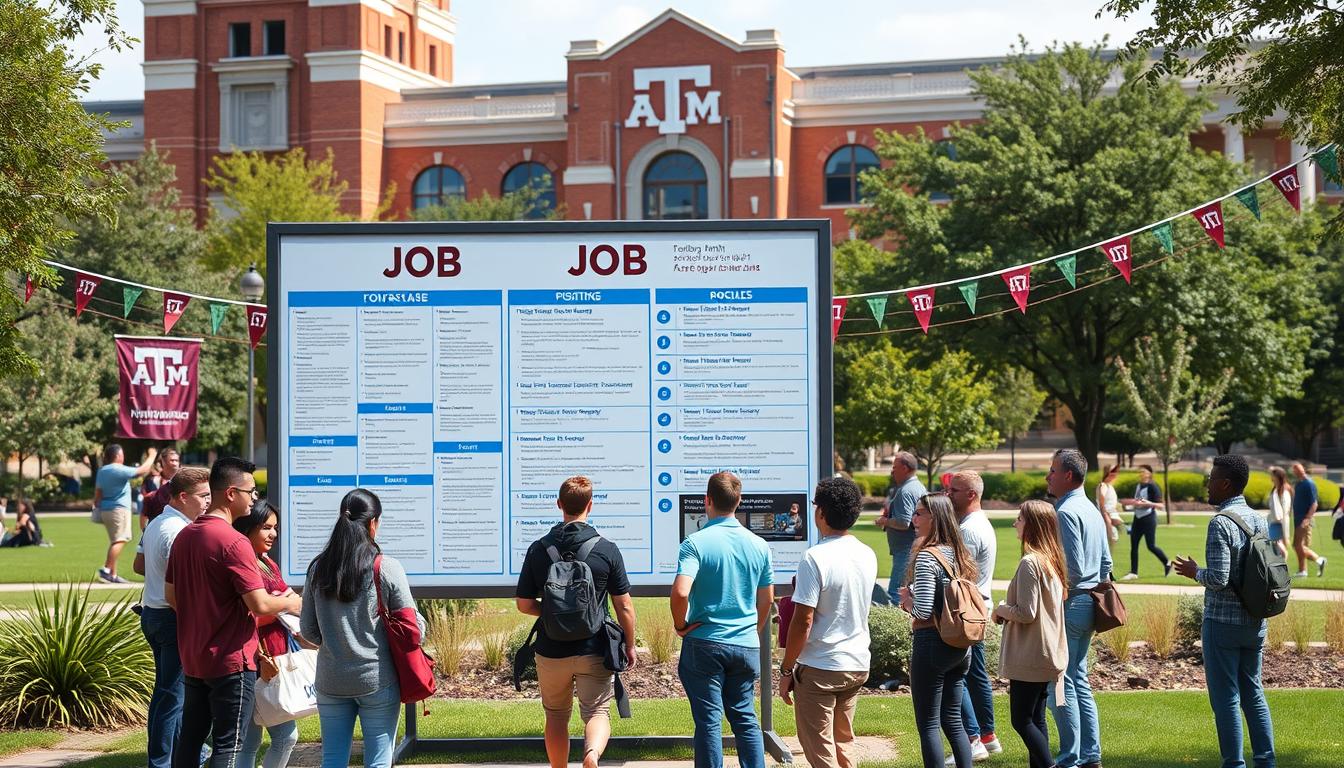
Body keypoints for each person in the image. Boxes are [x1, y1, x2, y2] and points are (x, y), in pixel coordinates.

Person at [166, 457, 302, 768]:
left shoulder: (185, 536)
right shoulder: (235, 542)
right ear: (230, 493)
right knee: (229, 746)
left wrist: (205, 617)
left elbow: (172, 595)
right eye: (250, 491)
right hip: (231, 660)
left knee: (191, 739)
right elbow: (260, 604)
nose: (254, 498)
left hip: (195, 657)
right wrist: (293, 603)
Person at [515, 477, 638, 768]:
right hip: (594, 648)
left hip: (550, 649)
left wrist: (551, 613)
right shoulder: (606, 549)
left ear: (559, 505)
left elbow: (523, 604)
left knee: (556, 715)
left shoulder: (538, 549)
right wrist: (629, 645)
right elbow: (625, 606)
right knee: (597, 711)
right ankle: (591, 755)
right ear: (590, 505)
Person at [300, 489, 424, 768]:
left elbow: (308, 629)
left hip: (331, 679)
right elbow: (415, 630)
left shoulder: (317, 568)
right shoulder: (387, 567)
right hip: (376, 680)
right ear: (373, 523)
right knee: (379, 761)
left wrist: (335, 639)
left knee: (332, 759)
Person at [1173, 454, 1276, 768]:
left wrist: (1194, 572)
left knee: (1226, 698)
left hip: (1223, 623)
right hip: (1255, 620)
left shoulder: (1220, 523)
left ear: (1226, 483)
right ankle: (1266, 761)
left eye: (1211, 479)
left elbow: (1219, 579)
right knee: (1253, 693)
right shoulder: (1259, 519)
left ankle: (1234, 764)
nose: (1208, 485)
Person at [672, 471, 773, 768]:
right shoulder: (759, 544)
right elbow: (766, 599)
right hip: (745, 644)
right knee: (745, 718)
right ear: (738, 501)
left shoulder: (695, 543)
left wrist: (681, 625)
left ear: (708, 501)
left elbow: (680, 592)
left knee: (709, 722)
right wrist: (753, 629)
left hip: (705, 642)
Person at [777, 477, 876, 768]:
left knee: (820, 751)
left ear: (820, 513)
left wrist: (787, 670)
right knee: (844, 744)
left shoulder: (814, 557)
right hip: (856, 662)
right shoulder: (866, 554)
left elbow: (802, 620)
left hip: (820, 666)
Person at [134, 467, 211, 768]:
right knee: (172, 698)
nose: (207, 502)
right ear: (182, 497)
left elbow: (139, 565)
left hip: (152, 615)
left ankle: (179, 756)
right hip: (171, 619)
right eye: (203, 496)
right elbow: (179, 589)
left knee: (167, 695)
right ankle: (162, 762)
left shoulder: (156, 523)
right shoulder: (179, 531)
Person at [898, 493, 977, 768]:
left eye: (919, 513)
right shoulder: (959, 554)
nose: (913, 519)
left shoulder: (926, 558)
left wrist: (908, 601)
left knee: (929, 724)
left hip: (931, 642)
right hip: (960, 645)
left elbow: (921, 611)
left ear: (935, 518)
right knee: (953, 720)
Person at [1047, 448, 1111, 768]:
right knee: (1078, 680)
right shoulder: (1091, 509)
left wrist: (1052, 595)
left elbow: (1072, 569)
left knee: (1059, 683)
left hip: (1072, 604)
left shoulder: (1066, 512)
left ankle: (1070, 757)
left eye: (1053, 471)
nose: (1049, 476)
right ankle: (1090, 755)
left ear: (1068, 476)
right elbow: (1106, 564)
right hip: (1089, 604)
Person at [994, 500, 1069, 768]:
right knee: (1036, 718)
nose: (1015, 523)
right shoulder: (1052, 562)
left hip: (1031, 656)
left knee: (1021, 720)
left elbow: (1027, 612)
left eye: (1020, 519)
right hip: (1046, 653)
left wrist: (1001, 609)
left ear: (1033, 525)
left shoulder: (1030, 563)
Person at [234, 499, 302, 768]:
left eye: (275, 527)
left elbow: (287, 596)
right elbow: (248, 616)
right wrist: (283, 605)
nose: (273, 534)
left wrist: (288, 601)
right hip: (257, 660)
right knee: (285, 737)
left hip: (274, 659)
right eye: (265, 527)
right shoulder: (244, 564)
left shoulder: (265, 561)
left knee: (249, 743)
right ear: (248, 528)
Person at [946, 470, 999, 761]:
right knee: (975, 674)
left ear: (971, 495)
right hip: (979, 608)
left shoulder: (967, 530)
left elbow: (955, 577)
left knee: (956, 675)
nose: (948, 494)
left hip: (966, 612)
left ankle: (972, 739)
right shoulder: (980, 523)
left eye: (954, 490)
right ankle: (987, 735)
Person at [93, 443, 157, 583]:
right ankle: (106, 570)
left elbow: (98, 492)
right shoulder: (116, 468)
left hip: (106, 510)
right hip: (119, 509)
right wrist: (152, 455)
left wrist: (96, 505)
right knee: (121, 539)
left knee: (115, 540)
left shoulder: (102, 470)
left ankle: (113, 575)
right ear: (117, 456)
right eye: (122, 454)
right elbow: (142, 470)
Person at [875, 451, 927, 597]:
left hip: (906, 550)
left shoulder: (906, 491)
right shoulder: (917, 486)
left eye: (894, 467)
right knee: (908, 595)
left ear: (904, 468)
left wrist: (884, 521)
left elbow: (904, 522)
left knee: (896, 594)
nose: (892, 471)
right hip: (912, 548)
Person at [1120, 464, 1171, 580]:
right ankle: (1133, 573)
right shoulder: (1138, 486)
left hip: (1149, 518)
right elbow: (1137, 501)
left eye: (1143, 472)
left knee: (1151, 546)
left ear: (1149, 474)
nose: (1141, 474)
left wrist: (1146, 503)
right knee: (1134, 545)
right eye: (1140, 472)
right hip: (1137, 518)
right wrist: (1130, 505)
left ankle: (1167, 562)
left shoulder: (1153, 486)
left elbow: (1160, 505)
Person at [1289, 463, 1327, 577]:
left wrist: (1307, 519)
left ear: (1303, 469)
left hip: (1304, 520)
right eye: (1294, 469)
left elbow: (1314, 504)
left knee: (1298, 545)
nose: (1296, 470)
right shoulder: (1299, 484)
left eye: (1298, 468)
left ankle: (1304, 570)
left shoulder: (1309, 483)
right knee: (1297, 545)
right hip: (1298, 519)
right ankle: (1317, 562)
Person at [141, 448, 182, 530]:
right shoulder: (153, 481)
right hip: (156, 523)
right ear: (163, 461)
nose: (175, 464)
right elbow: (146, 505)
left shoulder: (184, 482)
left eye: (176, 460)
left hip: (178, 523)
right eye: (172, 460)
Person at [1266, 467, 1293, 559]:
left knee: (1277, 544)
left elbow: (1285, 512)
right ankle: (1280, 565)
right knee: (1274, 546)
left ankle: (1283, 563)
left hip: (1280, 523)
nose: (1271, 477)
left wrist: (1286, 535)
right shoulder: (1275, 490)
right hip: (1273, 522)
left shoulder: (1284, 492)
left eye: (1273, 475)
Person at [1094, 465, 1123, 547]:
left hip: (1110, 516)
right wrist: (1105, 515)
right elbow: (1101, 498)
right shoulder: (1103, 485)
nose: (1115, 474)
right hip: (1106, 517)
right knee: (1109, 542)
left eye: (1116, 472)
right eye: (1113, 472)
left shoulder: (1109, 486)